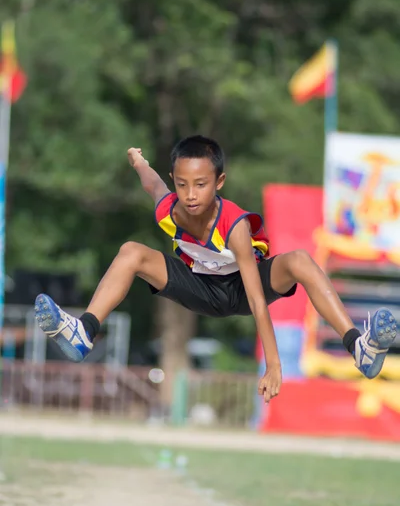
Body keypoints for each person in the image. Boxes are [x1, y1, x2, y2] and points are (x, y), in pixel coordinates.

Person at [34, 135, 397, 403]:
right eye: (182, 185)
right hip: (198, 288)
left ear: (219, 182)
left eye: (201, 185)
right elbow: (153, 184)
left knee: (300, 260)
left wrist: (273, 364)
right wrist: (138, 162)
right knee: (131, 251)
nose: (190, 194)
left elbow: (257, 301)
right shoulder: (169, 208)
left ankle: (358, 347)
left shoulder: (234, 225)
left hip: (242, 289)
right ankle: (84, 330)